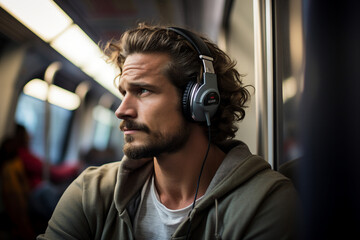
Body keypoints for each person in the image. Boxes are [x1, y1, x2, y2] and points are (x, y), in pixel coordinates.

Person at [38, 24, 298, 239]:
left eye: (143, 91)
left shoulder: (263, 202)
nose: (122, 110)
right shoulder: (91, 192)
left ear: (200, 100)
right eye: (124, 93)